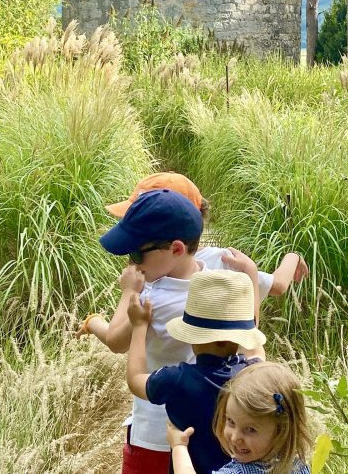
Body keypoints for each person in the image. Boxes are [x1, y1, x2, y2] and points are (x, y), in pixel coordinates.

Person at [76, 173, 308, 343]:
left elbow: (116, 341)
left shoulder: (153, 287)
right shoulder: (227, 262)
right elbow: (277, 287)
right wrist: (291, 258)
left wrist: (97, 318)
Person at [126, 269, 266, 474]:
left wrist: (139, 325)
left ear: (193, 336)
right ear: (241, 336)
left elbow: (135, 379)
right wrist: (251, 276)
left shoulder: (176, 380)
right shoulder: (253, 374)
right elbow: (256, 350)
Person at [166, 362, 313, 474]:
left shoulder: (238, 472)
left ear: (282, 431)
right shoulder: (299, 465)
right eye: (231, 421)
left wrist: (179, 446)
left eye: (250, 429)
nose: (235, 437)